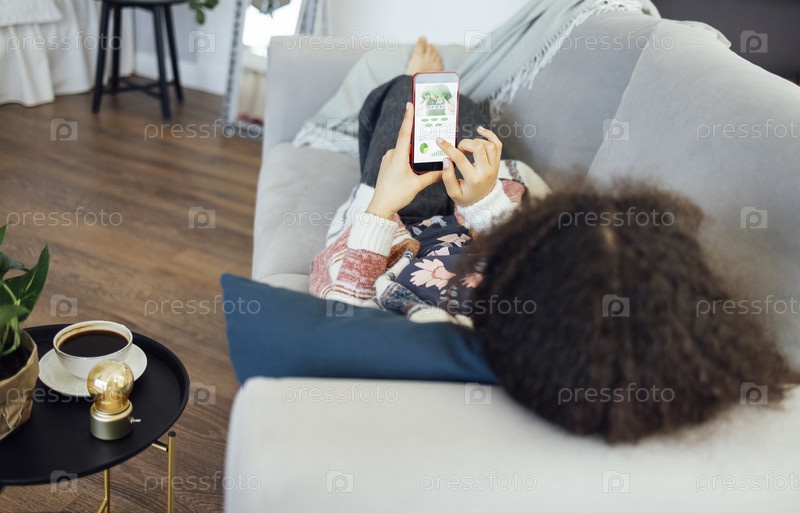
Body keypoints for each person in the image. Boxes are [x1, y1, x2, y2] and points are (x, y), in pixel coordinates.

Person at [309, 38, 799, 443]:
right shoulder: (557, 327)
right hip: (468, 218)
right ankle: (437, 97)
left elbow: (343, 314)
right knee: (465, 119)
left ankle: (414, 81)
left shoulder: (449, 333)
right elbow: (521, 253)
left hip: (393, 228)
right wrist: (484, 202)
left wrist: (379, 206)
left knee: (402, 102)